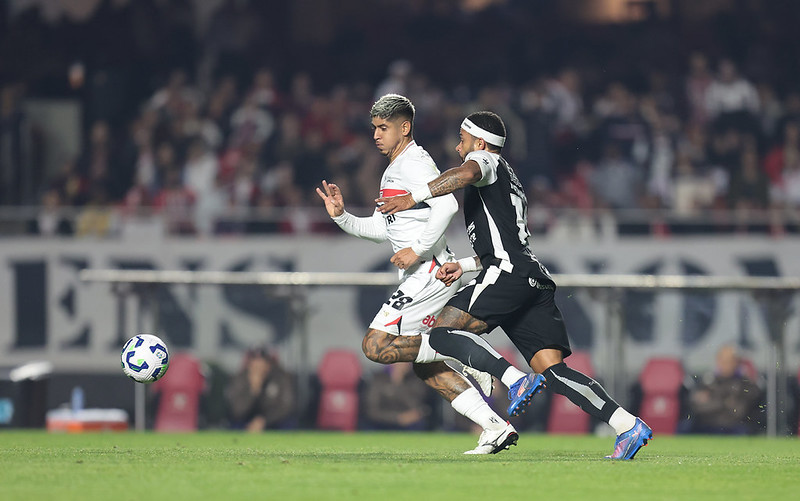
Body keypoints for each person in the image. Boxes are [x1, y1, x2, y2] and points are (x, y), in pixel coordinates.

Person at [376, 111, 652, 460]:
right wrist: (461, 265)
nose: (458, 146)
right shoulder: (509, 180)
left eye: (462, 139)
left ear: (480, 142)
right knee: (554, 371)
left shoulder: (484, 160)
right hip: (528, 276)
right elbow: (505, 244)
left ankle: (513, 379)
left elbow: (467, 173)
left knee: (440, 332)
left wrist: (412, 197)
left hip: (507, 274)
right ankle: (627, 424)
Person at [317, 94, 519, 454]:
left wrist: (418, 250)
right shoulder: (393, 169)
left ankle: (464, 352)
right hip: (424, 271)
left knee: (375, 345)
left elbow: (447, 205)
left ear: (405, 127)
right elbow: (384, 229)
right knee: (425, 368)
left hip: (429, 271)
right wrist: (341, 216)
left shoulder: (415, 162)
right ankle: (494, 427)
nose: (376, 135)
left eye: (384, 128)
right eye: (374, 128)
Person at [684, 345, 763, 434]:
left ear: (736, 362)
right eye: (721, 360)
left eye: (728, 361)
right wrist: (724, 401)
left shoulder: (745, 385)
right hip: (705, 427)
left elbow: (738, 412)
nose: (724, 364)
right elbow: (695, 405)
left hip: (733, 429)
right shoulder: (707, 381)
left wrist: (712, 400)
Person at [225, 346, 296, 432]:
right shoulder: (240, 379)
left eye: (262, 361)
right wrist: (253, 390)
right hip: (246, 421)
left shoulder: (280, 377)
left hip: (273, 421)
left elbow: (285, 407)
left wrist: (264, 421)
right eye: (255, 360)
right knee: (235, 425)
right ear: (249, 364)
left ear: (269, 364)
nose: (258, 365)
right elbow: (237, 411)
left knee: (288, 423)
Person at [362, 362, 432, 430]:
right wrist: (397, 418)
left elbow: (415, 407)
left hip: (409, 425)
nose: (401, 364)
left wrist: (399, 381)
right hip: (381, 424)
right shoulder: (378, 379)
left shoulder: (416, 381)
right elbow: (372, 411)